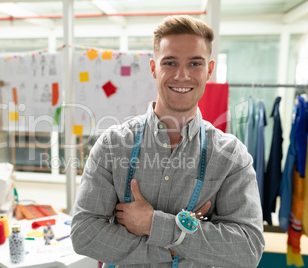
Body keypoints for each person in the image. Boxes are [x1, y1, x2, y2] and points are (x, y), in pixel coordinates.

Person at [71, 15, 265, 267]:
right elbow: (84, 235)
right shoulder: (112, 145)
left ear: (209, 70)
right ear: (154, 68)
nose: (182, 75)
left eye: (195, 63)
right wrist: (176, 246)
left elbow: (247, 248)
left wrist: (153, 224)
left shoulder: (231, 155)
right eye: (170, 62)